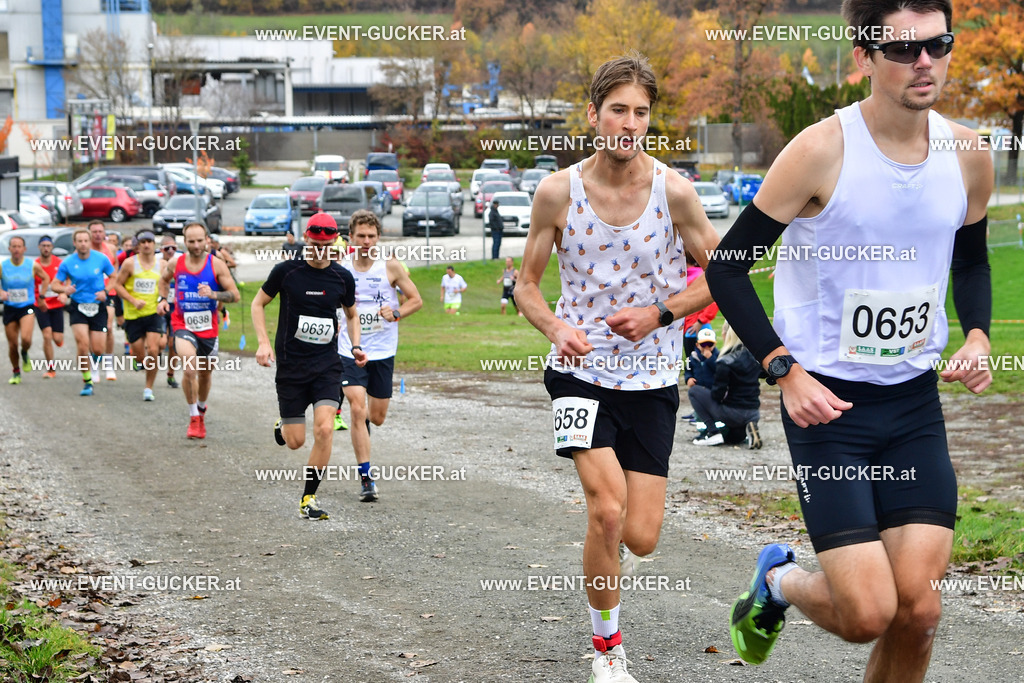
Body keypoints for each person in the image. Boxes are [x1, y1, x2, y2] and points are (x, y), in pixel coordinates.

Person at [706, 2, 993, 678]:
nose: (924, 62)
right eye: (901, 50)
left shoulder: (969, 154)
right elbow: (727, 265)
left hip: (913, 406)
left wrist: (978, 333)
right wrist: (784, 368)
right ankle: (777, 582)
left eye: (936, 45)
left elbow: (973, 258)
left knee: (917, 608)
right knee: (867, 612)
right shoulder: (819, 150)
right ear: (863, 58)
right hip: (826, 407)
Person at [516, 53, 719, 683]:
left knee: (642, 536)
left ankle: (607, 570)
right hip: (578, 374)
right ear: (594, 115)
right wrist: (555, 327)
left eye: (641, 113)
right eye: (618, 111)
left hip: (653, 377)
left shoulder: (673, 192)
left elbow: (722, 274)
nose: (629, 124)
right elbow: (524, 285)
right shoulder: (557, 192)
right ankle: (608, 650)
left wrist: (660, 314)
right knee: (605, 512)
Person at [251, 212, 367, 520]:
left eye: (325, 245)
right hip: (291, 366)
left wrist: (355, 345)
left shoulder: (342, 277)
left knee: (325, 428)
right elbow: (257, 303)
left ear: (334, 243)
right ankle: (283, 425)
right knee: (295, 441)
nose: (319, 251)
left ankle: (308, 498)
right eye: (314, 244)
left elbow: (352, 314)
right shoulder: (286, 272)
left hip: (326, 365)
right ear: (306, 239)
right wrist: (263, 342)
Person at [337, 209, 423, 502]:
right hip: (349, 348)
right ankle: (366, 478)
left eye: (371, 236)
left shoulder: (391, 266)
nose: (365, 241)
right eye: (360, 236)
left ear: (378, 237)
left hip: (383, 349)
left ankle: (363, 434)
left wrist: (395, 312)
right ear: (350, 237)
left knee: (377, 416)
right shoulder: (341, 267)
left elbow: (416, 300)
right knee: (357, 410)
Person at [158, 223, 239, 439]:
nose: (195, 245)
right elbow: (163, 281)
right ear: (184, 242)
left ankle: (201, 408)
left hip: (208, 328)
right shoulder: (176, 263)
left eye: (199, 241)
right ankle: (193, 416)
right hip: (182, 323)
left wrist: (214, 295)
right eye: (191, 241)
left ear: (207, 240)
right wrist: (162, 300)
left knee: (205, 374)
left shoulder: (217, 265)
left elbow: (235, 295)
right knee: (190, 369)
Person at [49, 229, 114, 396]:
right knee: (83, 345)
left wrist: (105, 291)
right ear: (75, 243)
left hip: (98, 306)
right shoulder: (68, 263)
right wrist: (65, 289)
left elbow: (114, 277)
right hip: (78, 307)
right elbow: (54, 284)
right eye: (80, 241)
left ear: (90, 241)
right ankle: (87, 382)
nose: (83, 244)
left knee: (98, 349)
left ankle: (92, 365)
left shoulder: (101, 259)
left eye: (86, 240)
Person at [687, 323, 761, 448]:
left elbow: (717, 394)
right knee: (733, 438)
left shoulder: (725, 361)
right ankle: (748, 427)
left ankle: (713, 432)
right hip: (753, 411)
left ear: (726, 335)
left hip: (733, 412)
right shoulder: (754, 358)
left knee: (694, 392)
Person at [114, 231, 164, 401]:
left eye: (150, 241)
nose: (146, 245)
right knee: (139, 355)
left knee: (154, 350)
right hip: (133, 314)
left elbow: (167, 284)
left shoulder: (162, 264)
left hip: (153, 313)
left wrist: (163, 300)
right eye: (143, 242)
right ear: (137, 245)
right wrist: (132, 300)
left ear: (154, 244)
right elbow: (117, 285)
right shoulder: (129, 264)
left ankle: (148, 388)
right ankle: (141, 362)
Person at [1, 235, 49, 384]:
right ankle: (16, 371)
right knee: (12, 344)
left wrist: (41, 296)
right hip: (9, 308)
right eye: (13, 246)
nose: (16, 249)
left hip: (27, 307)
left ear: (24, 249)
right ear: (9, 249)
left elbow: (46, 278)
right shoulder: (3, 266)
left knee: (26, 339)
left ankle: (25, 352)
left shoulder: (32, 265)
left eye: (19, 246)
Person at [89, 220, 119, 381]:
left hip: (108, 293)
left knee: (108, 327)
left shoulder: (112, 249)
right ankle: (94, 366)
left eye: (100, 231)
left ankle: (109, 364)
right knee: (91, 331)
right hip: (90, 295)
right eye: (94, 232)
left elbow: (116, 272)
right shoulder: (85, 250)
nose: (98, 234)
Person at [34, 235, 65, 378]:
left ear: (52, 247)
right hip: (41, 304)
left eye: (48, 246)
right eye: (43, 246)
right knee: (47, 336)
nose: (46, 248)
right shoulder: (35, 265)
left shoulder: (59, 263)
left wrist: (65, 291)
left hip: (56, 304)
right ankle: (51, 369)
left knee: (57, 338)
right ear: (39, 247)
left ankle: (58, 339)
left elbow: (69, 278)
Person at [158, 235, 181, 388]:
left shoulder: (181, 261)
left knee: (173, 344)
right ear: (161, 250)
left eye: (174, 248)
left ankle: (171, 374)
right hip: (159, 306)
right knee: (160, 343)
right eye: (167, 248)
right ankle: (154, 354)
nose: (171, 251)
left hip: (176, 308)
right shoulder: (156, 262)